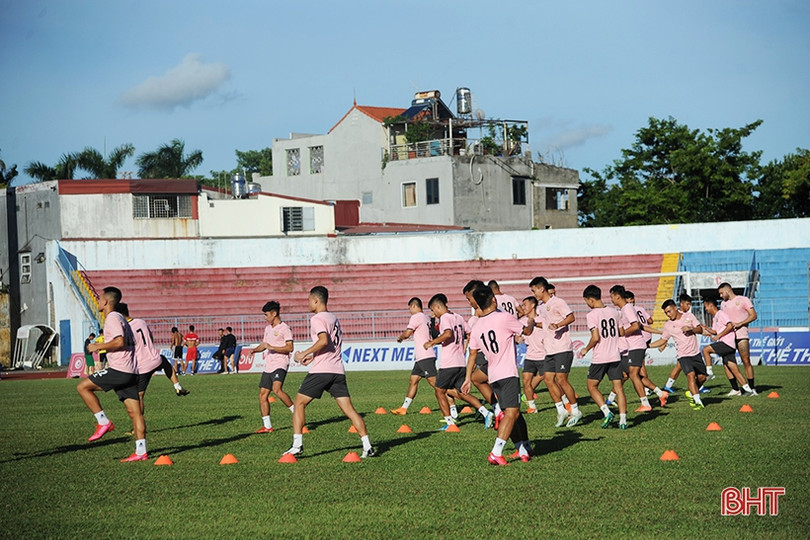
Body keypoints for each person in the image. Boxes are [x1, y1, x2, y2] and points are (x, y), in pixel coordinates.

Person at [282, 286, 376, 459]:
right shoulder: (333, 317)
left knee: (299, 403)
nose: (308, 303)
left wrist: (304, 353)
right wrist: (314, 357)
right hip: (337, 371)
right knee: (350, 410)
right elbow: (331, 344)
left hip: (322, 371)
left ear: (316, 300)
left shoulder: (317, 318)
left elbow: (324, 340)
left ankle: (297, 445)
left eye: (309, 300)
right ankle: (367, 446)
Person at [462, 286, 535, 464]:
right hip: (508, 373)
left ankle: (521, 449)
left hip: (493, 375)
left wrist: (467, 379)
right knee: (512, 413)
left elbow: (472, 355)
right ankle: (496, 451)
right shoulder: (504, 317)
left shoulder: (477, 326)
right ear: (494, 300)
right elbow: (526, 332)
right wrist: (531, 320)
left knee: (514, 414)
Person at [76, 287, 147, 462]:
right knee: (135, 413)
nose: (98, 301)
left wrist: (97, 347)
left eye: (100, 298)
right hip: (131, 371)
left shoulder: (112, 318)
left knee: (83, 387)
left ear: (106, 302)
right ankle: (141, 452)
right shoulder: (121, 318)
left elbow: (119, 341)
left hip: (120, 370)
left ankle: (103, 422)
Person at [424, 293, 494, 430]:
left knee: (439, 391)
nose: (433, 313)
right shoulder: (458, 317)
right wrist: (465, 346)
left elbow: (448, 333)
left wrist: (432, 342)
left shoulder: (444, 318)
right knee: (462, 393)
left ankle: (449, 423)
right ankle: (486, 413)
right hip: (460, 362)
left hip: (449, 363)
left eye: (433, 310)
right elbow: (470, 333)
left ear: (438, 306)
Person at [116, 303, 190, 429]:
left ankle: (138, 427)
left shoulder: (124, 327)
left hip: (143, 365)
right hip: (155, 358)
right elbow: (150, 337)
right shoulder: (141, 322)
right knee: (166, 363)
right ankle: (177, 385)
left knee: (138, 396)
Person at [529, 276, 582, 427]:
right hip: (550, 350)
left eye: (534, 291)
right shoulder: (541, 307)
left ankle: (575, 411)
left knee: (562, 380)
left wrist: (558, 325)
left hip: (562, 348)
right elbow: (545, 325)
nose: (534, 294)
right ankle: (561, 410)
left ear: (541, 289)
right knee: (548, 379)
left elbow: (571, 317)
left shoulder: (558, 302)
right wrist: (531, 324)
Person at [609, 285, 668, 412]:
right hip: (634, 346)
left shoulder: (627, 308)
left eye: (612, 297)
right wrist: (659, 333)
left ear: (617, 296)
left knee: (633, 374)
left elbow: (635, 326)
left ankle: (645, 403)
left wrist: (622, 333)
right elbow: (641, 326)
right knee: (631, 374)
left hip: (636, 346)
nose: (611, 300)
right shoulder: (627, 309)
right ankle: (660, 393)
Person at [578, 285, 628, 429]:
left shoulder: (592, 315)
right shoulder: (615, 312)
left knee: (592, 386)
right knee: (618, 388)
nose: (587, 304)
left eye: (587, 301)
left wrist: (586, 349)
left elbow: (595, 337)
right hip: (615, 355)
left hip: (600, 357)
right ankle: (623, 421)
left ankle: (606, 412)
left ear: (591, 300)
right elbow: (622, 332)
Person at [649, 299, 707, 410]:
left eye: (669, 311)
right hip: (683, 355)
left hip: (695, 353)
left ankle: (691, 393)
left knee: (702, 377)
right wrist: (648, 346)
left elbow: (700, 329)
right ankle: (698, 401)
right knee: (690, 375)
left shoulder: (689, 316)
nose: (668, 314)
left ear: (675, 308)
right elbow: (662, 340)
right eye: (666, 313)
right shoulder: (668, 325)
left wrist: (691, 329)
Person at [391, 297, 441, 415]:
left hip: (425, 355)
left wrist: (400, 338)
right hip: (421, 357)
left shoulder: (416, 317)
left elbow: (408, 333)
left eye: (409, 308)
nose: (409, 311)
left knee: (436, 384)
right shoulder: (425, 317)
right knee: (413, 380)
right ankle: (404, 408)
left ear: (413, 306)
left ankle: (455, 402)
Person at [251, 301, 295, 433]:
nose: (265, 317)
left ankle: (296, 413)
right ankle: (267, 426)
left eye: (266, 315)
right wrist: (254, 350)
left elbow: (290, 347)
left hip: (280, 363)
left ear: (274, 313)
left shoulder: (285, 328)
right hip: (269, 365)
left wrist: (272, 347)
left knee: (277, 390)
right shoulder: (268, 329)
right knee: (262, 395)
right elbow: (264, 345)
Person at [701, 297, 754, 396]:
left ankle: (709, 372)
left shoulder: (721, 314)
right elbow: (716, 331)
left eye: (706, 307)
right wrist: (706, 329)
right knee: (732, 368)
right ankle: (746, 389)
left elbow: (729, 326)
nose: (705, 309)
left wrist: (718, 336)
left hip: (727, 343)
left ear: (711, 305)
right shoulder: (715, 317)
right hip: (726, 344)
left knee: (705, 350)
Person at [462, 280, 499, 422]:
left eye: (469, 298)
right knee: (478, 379)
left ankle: (499, 410)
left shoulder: (490, 314)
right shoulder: (477, 317)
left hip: (492, 356)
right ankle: (498, 409)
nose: (469, 302)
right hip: (483, 355)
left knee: (489, 381)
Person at [718, 282, 758, 394]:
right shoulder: (723, 304)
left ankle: (751, 388)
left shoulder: (743, 300)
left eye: (721, 293)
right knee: (726, 362)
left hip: (741, 335)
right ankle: (735, 389)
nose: (721, 296)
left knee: (746, 361)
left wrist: (740, 323)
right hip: (728, 337)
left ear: (727, 290)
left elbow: (753, 315)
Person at [519, 296, 545, 414]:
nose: (523, 307)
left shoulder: (543, 319)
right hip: (530, 356)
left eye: (525, 305)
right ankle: (532, 407)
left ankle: (565, 403)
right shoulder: (522, 321)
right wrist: (517, 338)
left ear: (533, 305)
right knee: (526, 381)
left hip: (544, 355)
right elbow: (519, 336)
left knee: (551, 382)